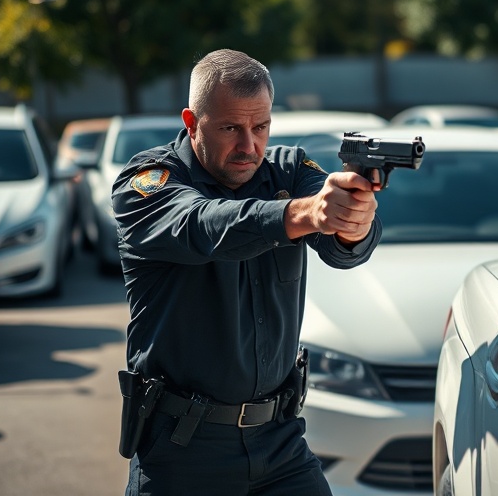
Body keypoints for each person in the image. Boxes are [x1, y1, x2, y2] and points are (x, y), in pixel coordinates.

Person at [112, 49, 382, 495]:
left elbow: (341, 251)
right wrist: (304, 213)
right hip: (183, 451)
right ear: (191, 123)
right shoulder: (148, 181)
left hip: (279, 442)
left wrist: (352, 220)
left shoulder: (289, 170)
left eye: (261, 127)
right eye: (231, 128)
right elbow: (205, 225)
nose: (249, 145)